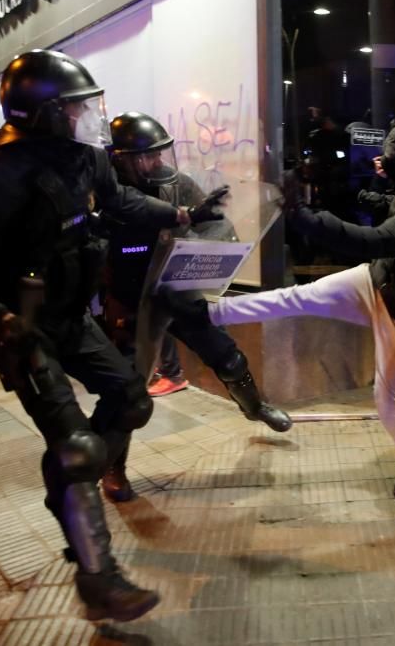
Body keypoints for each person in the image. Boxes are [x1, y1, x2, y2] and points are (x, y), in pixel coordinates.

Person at [0, 49, 192, 622]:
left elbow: (120, 201)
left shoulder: (86, 158)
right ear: (44, 113)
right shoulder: (0, 176)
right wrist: (0, 323)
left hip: (72, 318)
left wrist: (176, 216)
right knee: (75, 447)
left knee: (131, 398)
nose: (91, 115)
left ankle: (71, 483)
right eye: (77, 106)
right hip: (24, 330)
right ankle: (98, 577)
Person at [198, 119, 395, 499]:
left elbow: (375, 239)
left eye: (393, 163)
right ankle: (207, 314)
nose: (385, 168)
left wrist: (304, 217)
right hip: (380, 282)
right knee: (296, 297)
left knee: (388, 403)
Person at [100, 111, 291, 502]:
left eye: (160, 154)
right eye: (146, 157)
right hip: (130, 298)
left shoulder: (178, 185)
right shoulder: (108, 193)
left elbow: (212, 228)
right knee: (128, 390)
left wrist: (217, 233)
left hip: (176, 287)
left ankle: (254, 406)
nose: (156, 163)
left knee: (227, 355)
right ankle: (113, 468)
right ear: (121, 159)